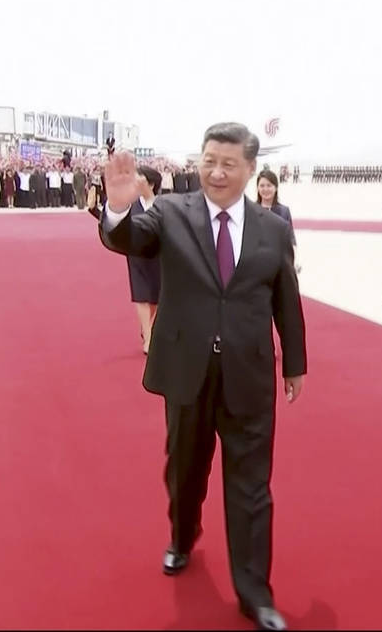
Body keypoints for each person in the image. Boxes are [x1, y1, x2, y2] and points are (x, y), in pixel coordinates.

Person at [98, 123, 306, 631]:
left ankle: (255, 593)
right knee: (185, 470)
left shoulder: (273, 229)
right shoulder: (171, 213)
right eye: (209, 160)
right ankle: (183, 534)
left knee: (252, 486)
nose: (216, 172)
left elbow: (286, 297)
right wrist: (120, 209)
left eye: (228, 163)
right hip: (187, 370)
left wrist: (295, 362)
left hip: (248, 373)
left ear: (250, 169)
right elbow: (129, 240)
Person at [126, 165, 162, 353]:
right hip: (136, 255)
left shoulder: (163, 205)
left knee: (155, 296)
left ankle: (147, 326)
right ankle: (148, 338)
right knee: (141, 295)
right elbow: (116, 225)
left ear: (151, 184)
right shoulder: (131, 205)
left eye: (139, 178)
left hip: (159, 255)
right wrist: (94, 210)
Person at [255, 169, 300, 273]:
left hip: (280, 264)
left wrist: (294, 261)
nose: (265, 189)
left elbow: (291, 238)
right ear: (257, 188)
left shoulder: (284, 211)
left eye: (269, 185)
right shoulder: (251, 210)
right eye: (262, 186)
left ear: (276, 187)